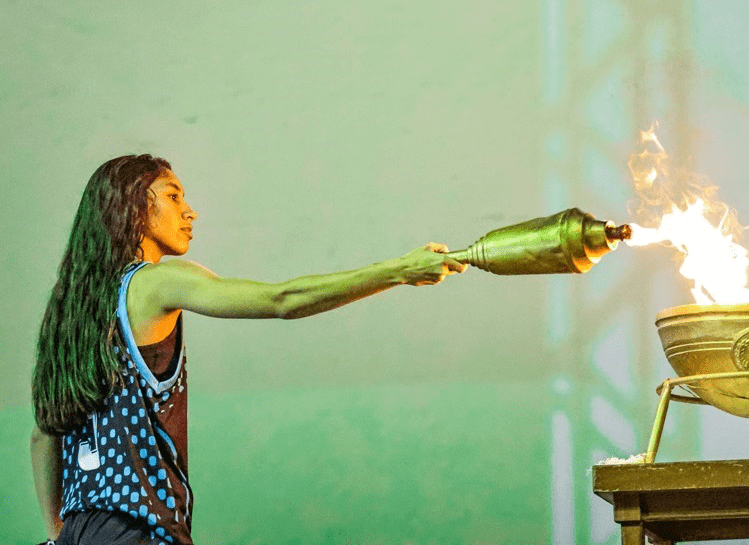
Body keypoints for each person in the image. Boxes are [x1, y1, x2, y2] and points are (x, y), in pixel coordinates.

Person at [31, 154, 466, 544]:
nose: (189, 211)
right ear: (134, 207)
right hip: (138, 533)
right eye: (173, 195)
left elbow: (43, 437)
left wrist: (59, 533)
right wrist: (400, 270)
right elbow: (282, 300)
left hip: (80, 533)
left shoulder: (70, 315)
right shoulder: (155, 283)